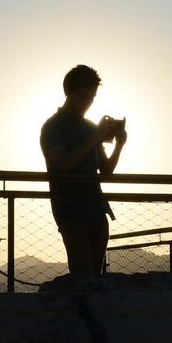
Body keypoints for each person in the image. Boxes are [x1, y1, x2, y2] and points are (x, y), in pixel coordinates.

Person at [39, 64, 127, 277]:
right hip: (69, 208)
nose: (88, 102)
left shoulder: (90, 128)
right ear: (68, 92)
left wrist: (119, 145)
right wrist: (96, 137)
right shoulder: (52, 126)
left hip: (95, 207)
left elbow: (106, 172)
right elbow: (64, 162)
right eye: (84, 96)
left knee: (94, 275)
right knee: (83, 274)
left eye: (92, 98)